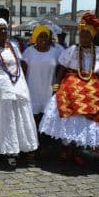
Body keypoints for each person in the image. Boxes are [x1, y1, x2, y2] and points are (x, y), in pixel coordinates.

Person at [39, 13, 99, 165]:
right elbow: (62, 69)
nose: (83, 37)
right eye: (81, 34)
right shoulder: (71, 50)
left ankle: (77, 150)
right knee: (67, 111)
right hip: (71, 84)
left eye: (86, 34)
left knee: (87, 117)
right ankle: (66, 149)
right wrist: (57, 86)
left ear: (92, 36)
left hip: (92, 87)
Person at [0, 18, 39, 167]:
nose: (4, 31)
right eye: (0, 29)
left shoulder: (13, 46)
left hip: (17, 85)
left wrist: (21, 80)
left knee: (18, 116)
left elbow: (21, 64)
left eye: (5, 29)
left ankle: (14, 150)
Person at [22, 25, 63, 161]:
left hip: (48, 91)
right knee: (32, 121)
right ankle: (31, 149)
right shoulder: (28, 52)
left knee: (45, 121)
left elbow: (60, 70)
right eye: (41, 36)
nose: (44, 39)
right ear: (35, 38)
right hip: (32, 90)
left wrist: (57, 87)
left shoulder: (56, 52)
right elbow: (22, 71)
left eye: (46, 36)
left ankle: (44, 148)